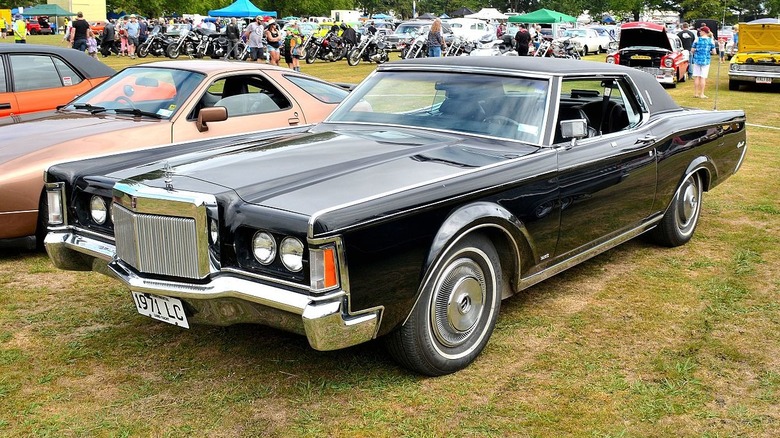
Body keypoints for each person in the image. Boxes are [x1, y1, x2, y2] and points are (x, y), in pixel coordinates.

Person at [690, 26, 716, 99]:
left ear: (704, 32)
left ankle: (695, 93)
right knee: (703, 77)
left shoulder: (697, 39)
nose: (699, 32)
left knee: (697, 76)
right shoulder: (710, 40)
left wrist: (697, 51)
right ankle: (702, 94)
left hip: (697, 59)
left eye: (701, 31)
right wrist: (708, 51)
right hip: (705, 60)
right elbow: (714, 52)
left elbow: (692, 50)